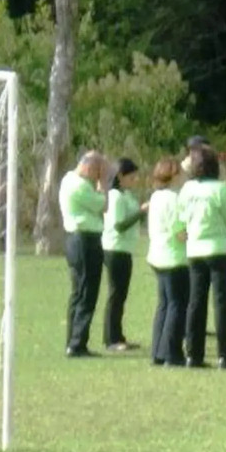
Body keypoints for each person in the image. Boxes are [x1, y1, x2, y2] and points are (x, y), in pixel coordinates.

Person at [177, 144, 226, 370]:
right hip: (219, 249)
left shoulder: (186, 190)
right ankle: (225, 354)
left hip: (195, 250)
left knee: (196, 303)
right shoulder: (220, 188)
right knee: (222, 304)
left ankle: (193, 354)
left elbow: (181, 218)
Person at [59, 149, 106, 358]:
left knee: (78, 292)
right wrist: (102, 185)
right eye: (97, 171)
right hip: (84, 240)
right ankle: (78, 343)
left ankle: (72, 340)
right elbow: (103, 205)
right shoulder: (79, 186)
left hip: (77, 239)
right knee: (87, 292)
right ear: (87, 167)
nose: (98, 176)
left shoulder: (69, 180)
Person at [145, 156, 188, 367]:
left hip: (157, 255)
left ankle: (157, 351)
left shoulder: (156, 197)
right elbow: (180, 233)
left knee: (163, 304)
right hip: (174, 257)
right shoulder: (174, 199)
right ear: (174, 176)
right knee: (177, 305)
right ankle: (171, 352)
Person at [100, 157, 142, 352]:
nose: (135, 180)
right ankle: (111, 338)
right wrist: (141, 212)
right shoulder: (115, 196)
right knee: (116, 294)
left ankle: (118, 335)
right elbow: (119, 225)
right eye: (131, 177)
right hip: (115, 248)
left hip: (125, 249)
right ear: (120, 176)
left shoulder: (125, 195)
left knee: (121, 294)